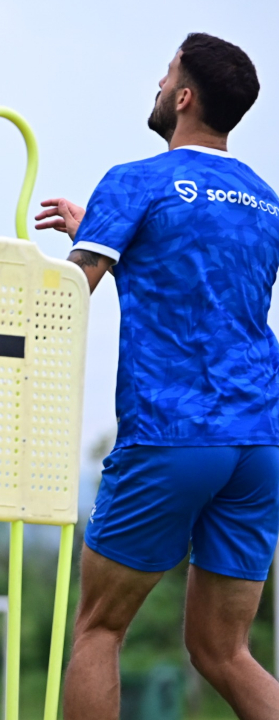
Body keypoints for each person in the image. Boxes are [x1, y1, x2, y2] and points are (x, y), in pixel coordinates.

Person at [35, 33, 279, 720]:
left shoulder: (136, 181)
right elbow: (202, 272)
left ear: (184, 97)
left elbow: (67, 299)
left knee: (98, 629)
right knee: (225, 652)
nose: (157, 83)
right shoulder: (266, 201)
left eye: (166, 72)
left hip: (174, 435)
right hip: (260, 442)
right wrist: (114, 231)